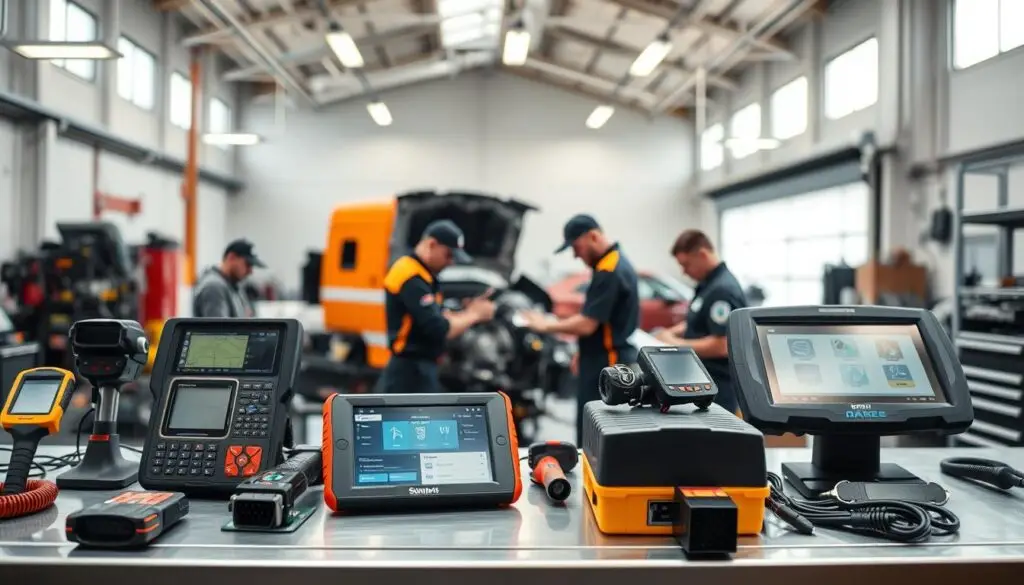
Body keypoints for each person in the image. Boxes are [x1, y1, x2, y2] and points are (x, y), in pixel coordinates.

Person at [520, 214, 639, 444]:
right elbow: (600, 320)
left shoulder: (609, 270)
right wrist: (582, 352)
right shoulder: (610, 264)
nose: (575, 254)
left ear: (593, 236)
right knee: (592, 428)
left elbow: (587, 324)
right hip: (598, 357)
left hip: (608, 362)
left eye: (576, 246)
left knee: (596, 433)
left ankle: (594, 478)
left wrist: (545, 325)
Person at [376, 220, 496, 394]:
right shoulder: (410, 277)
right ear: (432, 245)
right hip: (409, 371)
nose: (451, 262)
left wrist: (465, 312)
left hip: (420, 368)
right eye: (448, 255)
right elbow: (438, 327)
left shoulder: (424, 275)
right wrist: (475, 315)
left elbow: (441, 315)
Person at [654, 229, 747, 414]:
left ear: (702, 254)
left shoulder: (723, 290)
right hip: (700, 382)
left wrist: (675, 344)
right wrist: (670, 333)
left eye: (686, 264)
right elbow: (696, 322)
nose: (684, 271)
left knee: (712, 441)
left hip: (716, 387)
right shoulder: (707, 285)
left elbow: (722, 344)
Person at [193, 239, 264, 318]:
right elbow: (218, 329)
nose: (250, 271)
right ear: (231, 258)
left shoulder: (233, 285)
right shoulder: (214, 287)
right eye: (247, 264)